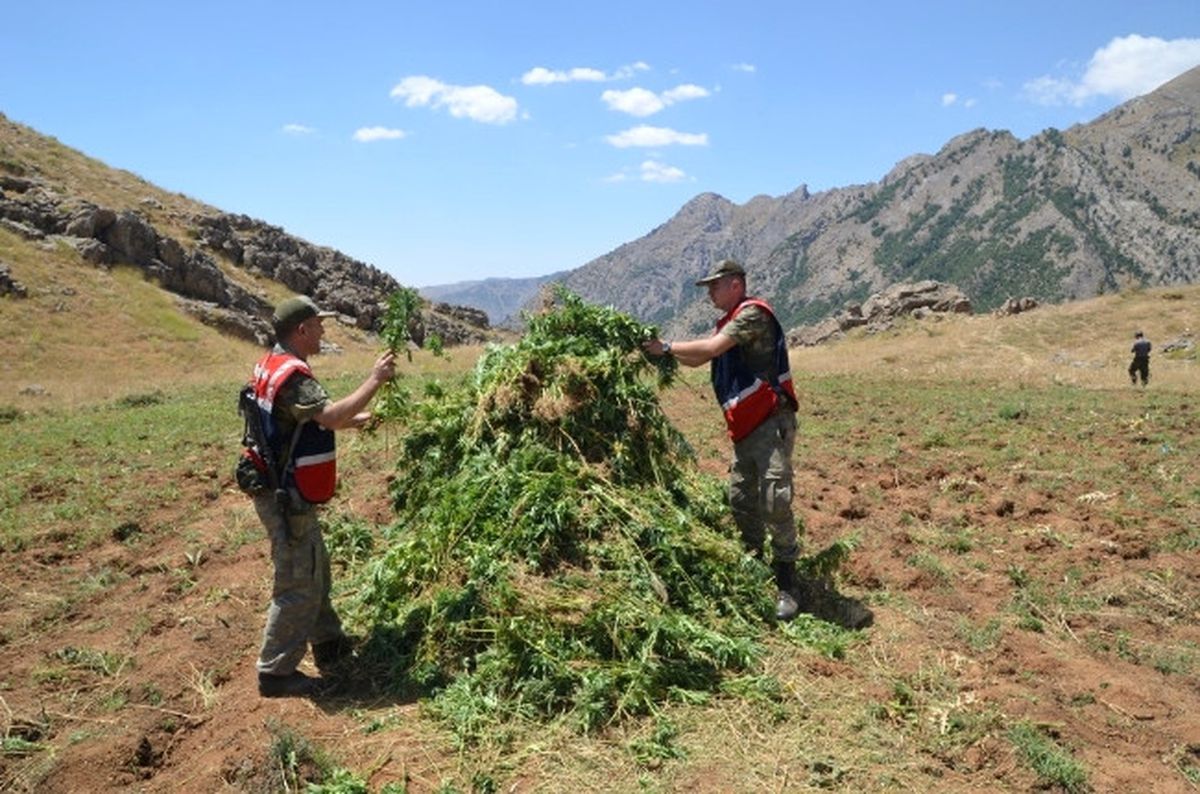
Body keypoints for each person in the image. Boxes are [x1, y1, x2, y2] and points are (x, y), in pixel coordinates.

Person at [244, 295, 396, 697]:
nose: (324, 331)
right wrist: (375, 380)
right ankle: (274, 672)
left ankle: (328, 642)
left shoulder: (272, 363)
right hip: (286, 493)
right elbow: (327, 415)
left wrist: (352, 420)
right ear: (301, 330)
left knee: (316, 565)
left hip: (278, 483)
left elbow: (302, 420)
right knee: (297, 578)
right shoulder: (294, 375)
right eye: (319, 325)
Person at [643, 260, 805, 621]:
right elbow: (698, 361)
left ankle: (787, 580)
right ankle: (753, 562)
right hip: (746, 426)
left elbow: (712, 350)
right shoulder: (730, 320)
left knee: (774, 499)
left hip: (770, 420)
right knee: (741, 498)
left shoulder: (752, 316)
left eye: (715, 287)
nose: (710, 295)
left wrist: (667, 347)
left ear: (735, 284)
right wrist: (661, 352)